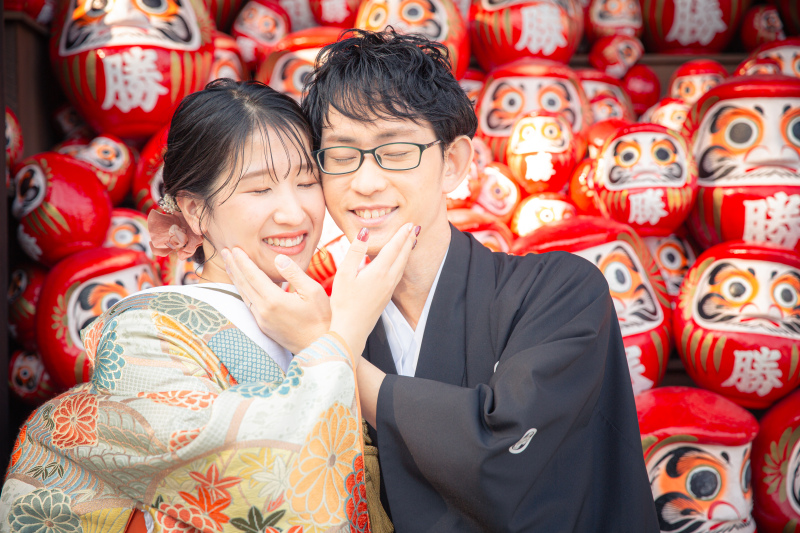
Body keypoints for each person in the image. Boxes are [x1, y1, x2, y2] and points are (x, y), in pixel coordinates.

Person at [225, 31, 660, 532]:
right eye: (341, 155)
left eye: (395, 151)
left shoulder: (561, 290)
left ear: (452, 163)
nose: (365, 182)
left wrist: (328, 354)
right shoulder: (317, 319)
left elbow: (508, 463)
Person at [0, 80, 416, 532]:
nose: (294, 213)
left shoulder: (323, 314)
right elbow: (252, 483)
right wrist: (341, 339)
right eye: (259, 190)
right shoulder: (147, 329)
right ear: (195, 210)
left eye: (306, 181)